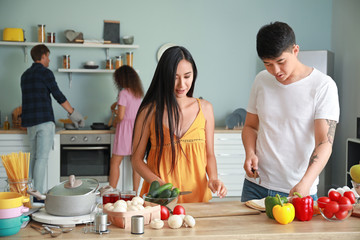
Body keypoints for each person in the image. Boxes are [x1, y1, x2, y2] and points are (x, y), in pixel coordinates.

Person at [241, 22, 340, 202]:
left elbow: (324, 142)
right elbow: (250, 126)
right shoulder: (261, 80)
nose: (276, 71)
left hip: (298, 189)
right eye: (268, 64)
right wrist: (250, 152)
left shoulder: (323, 86)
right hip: (255, 186)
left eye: (281, 62)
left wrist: (306, 183)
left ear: (295, 50)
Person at [131, 46, 227, 203]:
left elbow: (209, 154)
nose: (181, 84)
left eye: (187, 76)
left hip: (198, 198)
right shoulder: (148, 112)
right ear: (164, 77)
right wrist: (161, 186)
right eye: (174, 77)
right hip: (162, 200)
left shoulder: (206, 108)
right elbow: (136, 160)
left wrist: (213, 179)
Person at [21, 44, 85, 195]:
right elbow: (58, 96)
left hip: (30, 123)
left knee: (33, 157)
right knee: (41, 158)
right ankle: (39, 195)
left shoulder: (24, 75)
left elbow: (26, 100)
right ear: (42, 56)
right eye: (48, 56)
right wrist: (74, 114)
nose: (49, 60)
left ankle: (29, 193)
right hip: (44, 121)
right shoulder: (45, 73)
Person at [109, 65, 144, 192]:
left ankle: (111, 192)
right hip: (137, 130)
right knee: (136, 164)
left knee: (115, 162)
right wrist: (116, 104)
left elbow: (121, 116)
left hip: (124, 131)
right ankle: (136, 194)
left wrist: (114, 122)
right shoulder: (137, 93)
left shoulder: (123, 92)